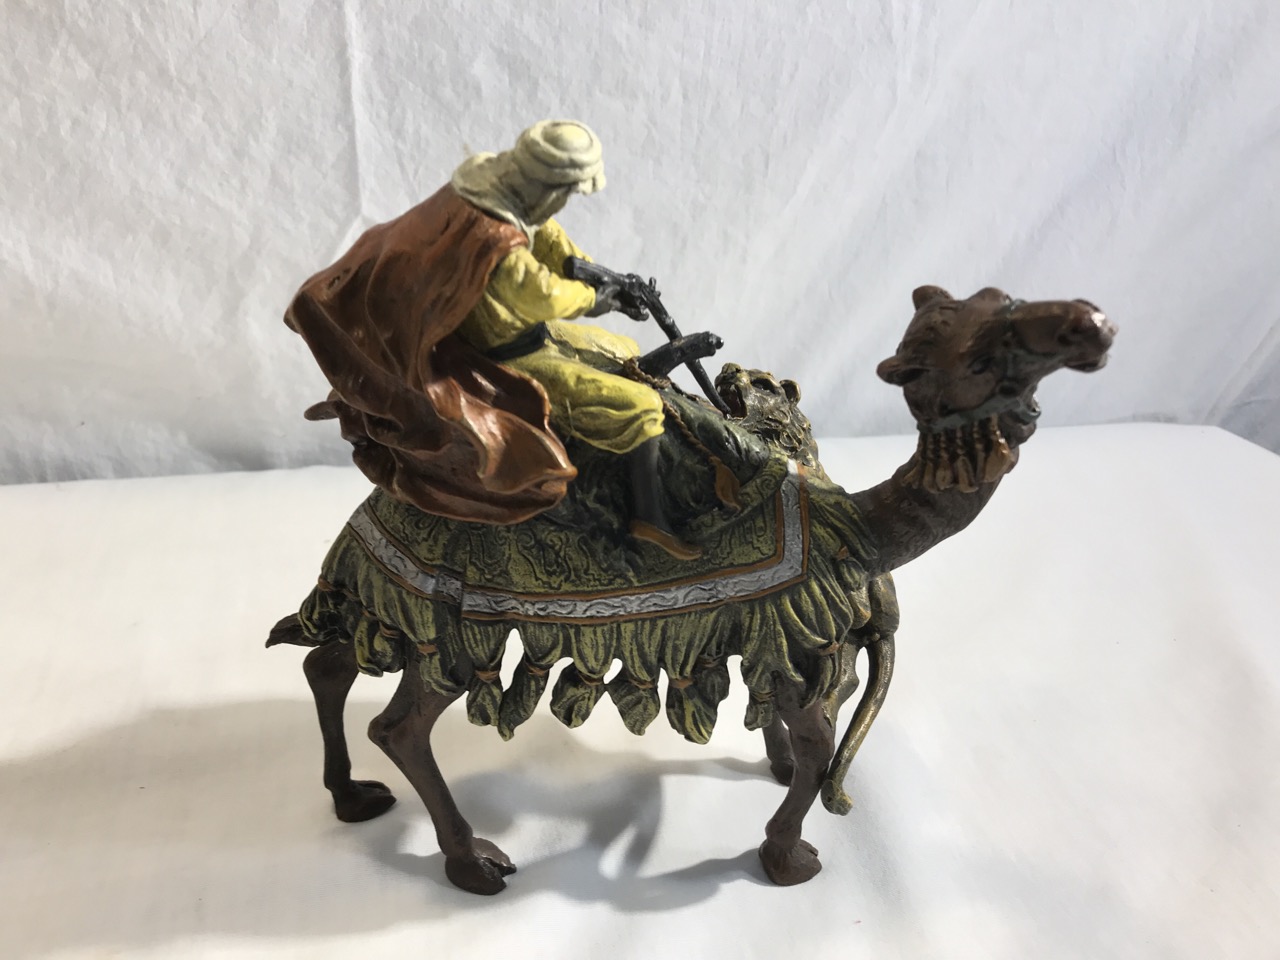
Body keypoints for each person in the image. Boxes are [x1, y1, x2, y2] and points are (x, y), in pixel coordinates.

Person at [285, 120, 699, 559]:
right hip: (507, 358)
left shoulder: (498, 194)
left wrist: (605, 278)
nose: (566, 201)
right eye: (568, 192)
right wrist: (601, 299)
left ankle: (613, 459)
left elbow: (554, 245)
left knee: (624, 349)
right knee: (642, 407)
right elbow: (542, 294)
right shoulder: (498, 243)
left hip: (529, 334)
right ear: (552, 187)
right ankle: (649, 520)